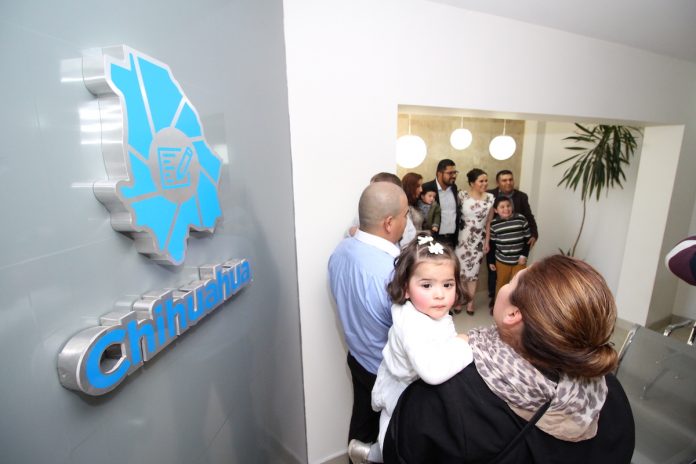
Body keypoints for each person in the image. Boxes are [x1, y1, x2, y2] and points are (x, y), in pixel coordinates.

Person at [383, 255, 635, 464]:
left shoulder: (444, 400)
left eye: (513, 281)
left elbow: (398, 453)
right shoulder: (612, 395)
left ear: (513, 314)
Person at [348, 235, 473, 464]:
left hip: (417, 392)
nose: (440, 294)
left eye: (447, 284)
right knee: (395, 444)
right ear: (406, 289)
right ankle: (370, 454)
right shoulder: (412, 324)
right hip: (401, 395)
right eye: (427, 285)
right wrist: (464, 343)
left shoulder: (432, 311)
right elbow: (432, 371)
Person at [329, 181, 410, 450]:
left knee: (362, 425)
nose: (407, 221)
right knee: (393, 440)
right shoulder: (393, 272)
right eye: (405, 215)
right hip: (387, 372)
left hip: (357, 359)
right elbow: (408, 334)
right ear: (389, 223)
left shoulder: (341, 250)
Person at [487, 170, 539, 308]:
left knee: (518, 281)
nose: (508, 182)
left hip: (517, 249)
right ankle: (497, 302)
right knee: (497, 278)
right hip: (498, 248)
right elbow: (491, 240)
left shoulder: (521, 198)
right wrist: (490, 258)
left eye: (510, 179)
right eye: (504, 180)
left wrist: (534, 234)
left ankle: (515, 304)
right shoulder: (490, 195)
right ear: (498, 182)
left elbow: (529, 216)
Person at [455, 168, 494, 315]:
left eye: (486, 180)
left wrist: (487, 241)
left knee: (473, 273)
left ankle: (470, 303)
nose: (484, 183)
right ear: (472, 183)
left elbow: (488, 222)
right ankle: (459, 300)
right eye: (481, 181)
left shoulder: (490, 198)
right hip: (461, 239)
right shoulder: (462, 196)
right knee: (460, 272)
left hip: (478, 241)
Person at [487, 196, 531, 297]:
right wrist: (491, 261)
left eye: (508, 206)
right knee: (501, 285)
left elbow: (527, 239)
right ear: (496, 210)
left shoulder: (521, 218)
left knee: (518, 285)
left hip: (519, 261)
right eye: (502, 207)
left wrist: (524, 255)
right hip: (502, 261)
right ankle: (499, 304)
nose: (506, 209)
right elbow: (492, 244)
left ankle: (515, 305)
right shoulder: (494, 224)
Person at [422, 159, 460, 250]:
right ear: (439, 173)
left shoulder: (454, 187)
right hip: (434, 238)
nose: (454, 176)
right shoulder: (427, 187)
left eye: (455, 173)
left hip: (451, 238)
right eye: (450, 173)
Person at [400, 173, 424, 247]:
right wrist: (428, 233)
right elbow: (408, 232)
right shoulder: (405, 207)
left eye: (421, 186)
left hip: (417, 244)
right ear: (410, 187)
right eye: (418, 186)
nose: (421, 190)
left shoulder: (416, 204)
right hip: (410, 246)